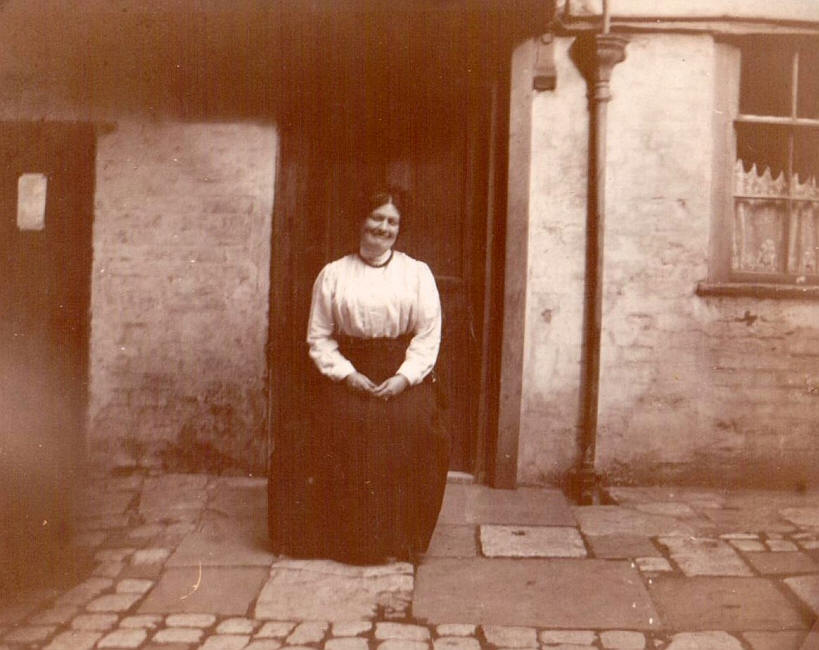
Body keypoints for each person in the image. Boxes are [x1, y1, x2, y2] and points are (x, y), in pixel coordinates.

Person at [270, 190, 449, 565]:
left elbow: (428, 335)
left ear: (399, 229)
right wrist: (347, 375)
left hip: (400, 371)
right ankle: (341, 541)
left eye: (392, 221)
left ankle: (400, 541)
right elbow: (318, 338)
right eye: (376, 218)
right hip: (348, 371)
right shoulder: (333, 274)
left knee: (413, 425)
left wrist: (404, 378)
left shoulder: (416, 274)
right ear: (360, 221)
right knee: (337, 425)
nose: (383, 227)